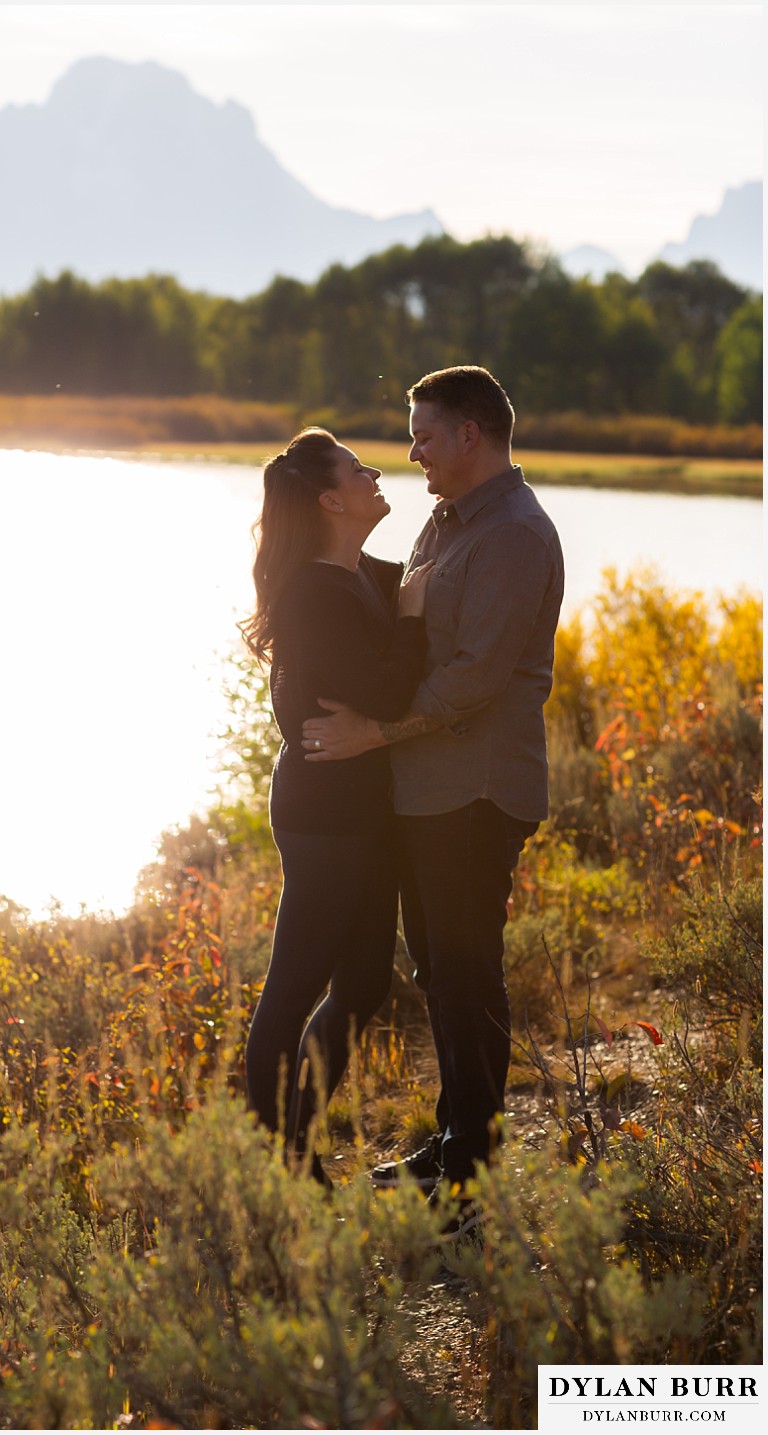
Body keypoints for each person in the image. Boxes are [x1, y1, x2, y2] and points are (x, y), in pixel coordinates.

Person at [302, 366, 564, 1204]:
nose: (411, 450)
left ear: (469, 436)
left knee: (467, 972)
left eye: (422, 433)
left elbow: (472, 679)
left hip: (476, 792)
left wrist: (372, 731)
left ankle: (473, 1180)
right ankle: (457, 1145)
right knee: (442, 975)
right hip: (429, 793)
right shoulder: (445, 523)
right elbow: (401, 617)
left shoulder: (515, 535)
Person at [240, 427, 433, 1185]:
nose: (374, 472)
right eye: (358, 470)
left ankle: (299, 1139)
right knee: (293, 988)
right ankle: (289, 1169)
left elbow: (417, 580)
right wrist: (414, 617)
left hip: (362, 811)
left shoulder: (354, 573)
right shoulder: (316, 595)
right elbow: (387, 690)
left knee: (364, 983)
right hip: (325, 815)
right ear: (330, 500)